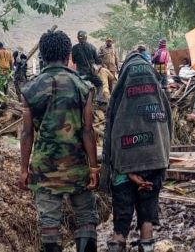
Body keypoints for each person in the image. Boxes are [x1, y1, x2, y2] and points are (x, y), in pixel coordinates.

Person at [19, 30, 100, 252]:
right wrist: (93, 167)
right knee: (86, 218)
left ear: (43, 56)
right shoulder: (82, 86)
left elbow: (26, 133)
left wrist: (24, 169)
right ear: (68, 56)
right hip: (77, 167)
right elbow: (87, 130)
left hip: (44, 168)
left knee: (49, 224)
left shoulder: (30, 88)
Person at [103, 50, 172, 252]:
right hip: (154, 165)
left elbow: (112, 137)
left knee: (122, 214)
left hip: (123, 169)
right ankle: (147, 244)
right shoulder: (159, 98)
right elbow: (168, 131)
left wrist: (127, 169)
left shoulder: (119, 102)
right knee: (147, 213)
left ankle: (118, 243)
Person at [71, 31, 103, 100]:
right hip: (91, 74)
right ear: (86, 37)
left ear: (78, 38)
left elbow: (73, 61)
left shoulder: (74, 48)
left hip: (80, 74)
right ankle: (99, 99)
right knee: (100, 84)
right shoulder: (92, 47)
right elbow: (97, 61)